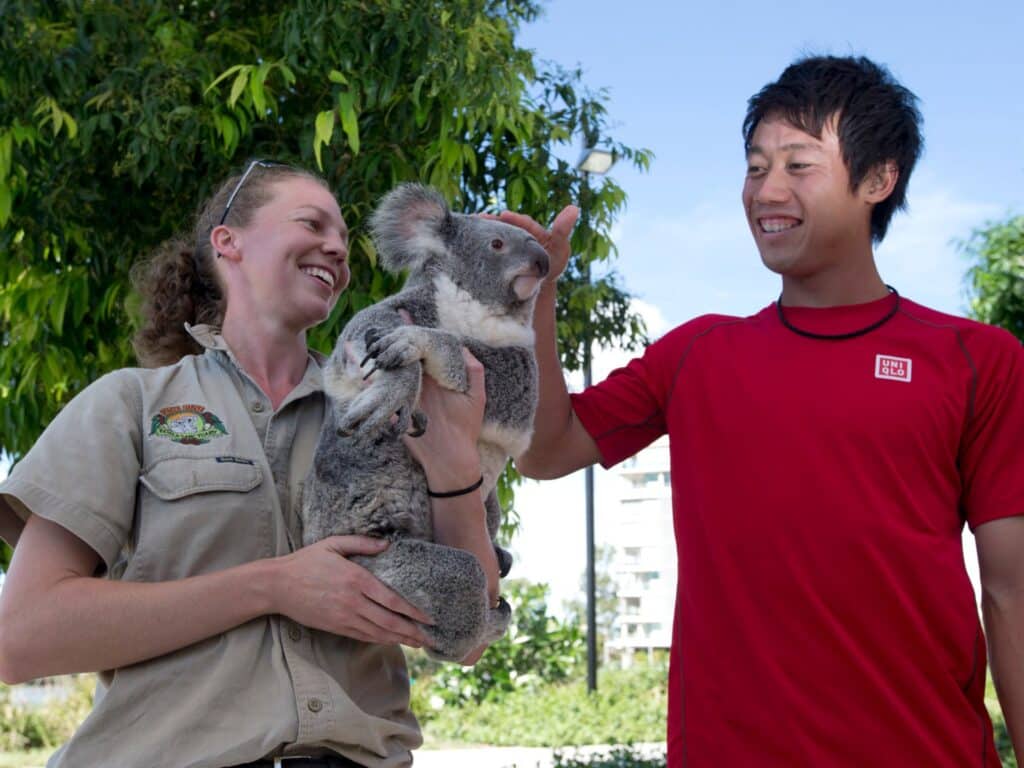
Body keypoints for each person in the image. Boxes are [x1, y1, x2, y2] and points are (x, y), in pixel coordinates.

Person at [509, 55, 1024, 767]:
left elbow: (1011, 593)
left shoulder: (979, 359)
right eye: (755, 167)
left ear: (878, 179)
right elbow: (544, 451)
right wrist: (537, 297)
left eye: (797, 165)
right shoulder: (698, 354)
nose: (766, 190)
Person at [0, 161, 499, 768]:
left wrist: (454, 467)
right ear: (227, 242)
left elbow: (469, 639)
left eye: (343, 239)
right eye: (312, 223)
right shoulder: (128, 403)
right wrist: (274, 586)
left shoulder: (396, 404)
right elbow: (22, 638)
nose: (337, 248)